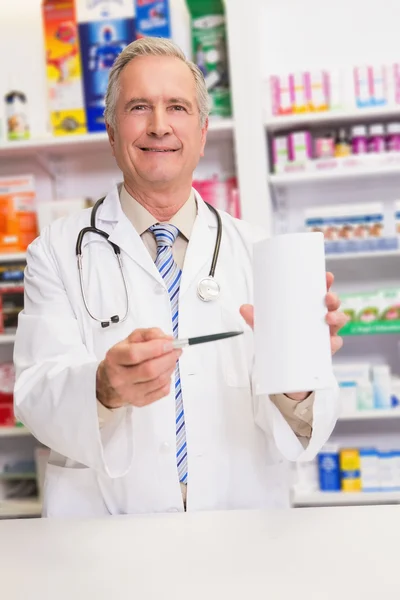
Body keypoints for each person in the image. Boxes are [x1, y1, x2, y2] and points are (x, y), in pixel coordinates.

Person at [14, 37, 346, 517]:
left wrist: (299, 374)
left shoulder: (260, 253)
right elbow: (35, 395)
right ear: (111, 131)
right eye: (138, 107)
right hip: (105, 536)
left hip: (239, 527)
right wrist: (103, 388)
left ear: (203, 130)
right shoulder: (56, 253)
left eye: (177, 106)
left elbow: (304, 426)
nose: (159, 125)